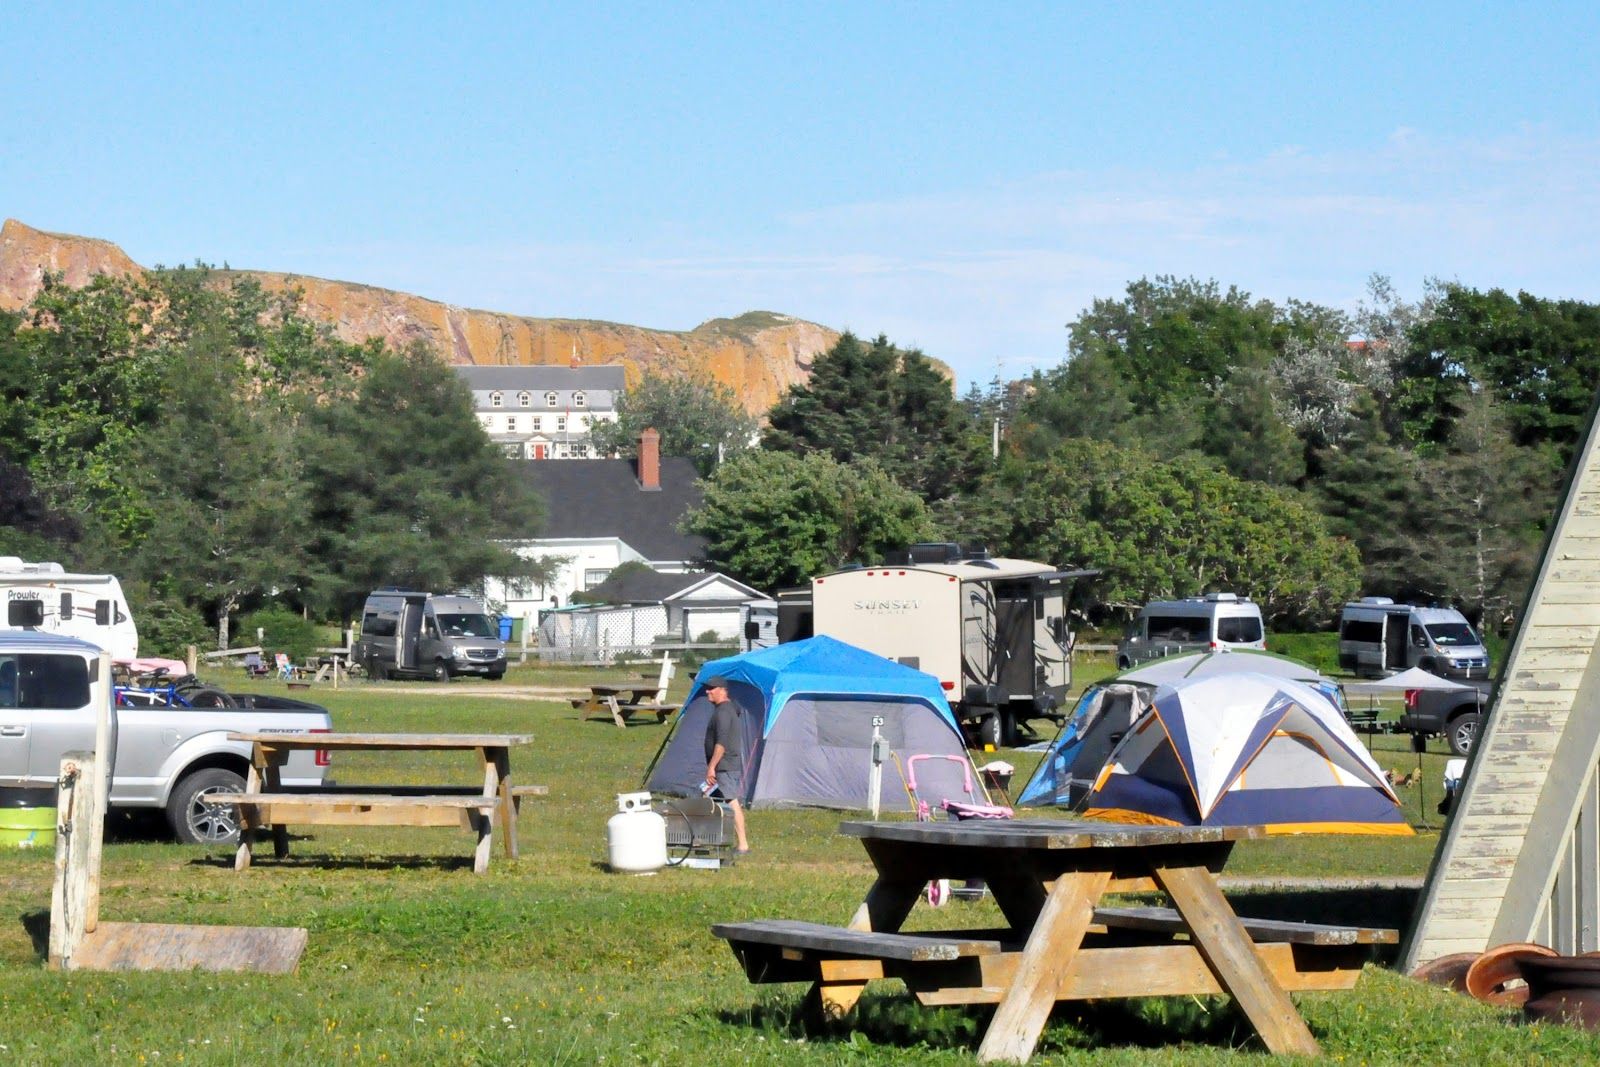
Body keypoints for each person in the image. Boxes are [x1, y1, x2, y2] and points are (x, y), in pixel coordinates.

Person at [702, 675, 751, 854]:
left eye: (712, 688)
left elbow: (721, 743)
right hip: (724, 765)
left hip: (724, 765)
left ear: (722, 691)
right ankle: (707, 839)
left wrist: (711, 767)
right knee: (710, 799)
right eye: (707, 688)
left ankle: (743, 844)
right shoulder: (729, 709)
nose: (708, 691)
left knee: (731, 801)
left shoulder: (723, 712)